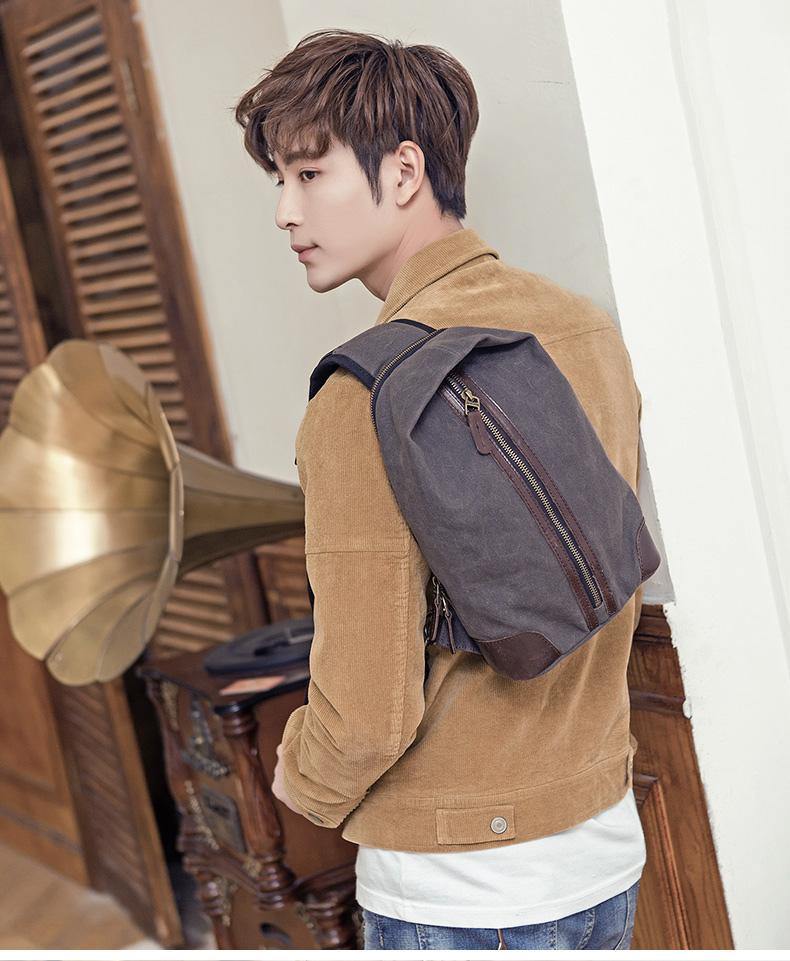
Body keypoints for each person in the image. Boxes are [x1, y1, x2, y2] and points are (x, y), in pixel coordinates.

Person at [235, 27, 646, 952]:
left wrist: (300, 777)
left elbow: (365, 716)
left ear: (405, 170)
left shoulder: (362, 395)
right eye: (279, 181)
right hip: (602, 841)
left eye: (310, 173)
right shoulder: (585, 331)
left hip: (459, 887)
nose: (285, 212)